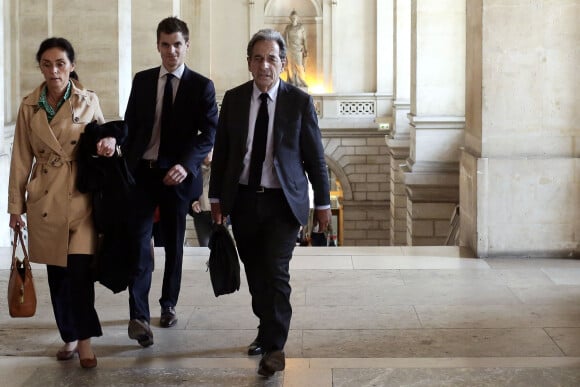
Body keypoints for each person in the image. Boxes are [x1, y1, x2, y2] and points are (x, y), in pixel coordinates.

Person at [209, 29, 331, 377]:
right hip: (244, 200)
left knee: (276, 271)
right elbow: (225, 155)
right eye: (258, 58)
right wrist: (216, 197)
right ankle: (265, 331)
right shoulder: (232, 100)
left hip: (283, 203)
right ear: (249, 63)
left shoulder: (299, 102)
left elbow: (315, 159)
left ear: (283, 62)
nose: (265, 65)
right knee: (256, 273)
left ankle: (275, 347)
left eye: (271, 58)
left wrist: (322, 202)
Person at [7, 37, 116, 369]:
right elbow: (21, 158)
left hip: (81, 198)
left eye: (60, 64)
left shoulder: (88, 100)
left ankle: (84, 340)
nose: (53, 71)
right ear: (40, 66)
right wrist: (15, 208)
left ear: (71, 65)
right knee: (58, 275)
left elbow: (104, 139)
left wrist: (110, 142)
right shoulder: (29, 106)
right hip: (44, 199)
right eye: (46, 64)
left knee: (80, 273)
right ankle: (68, 332)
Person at [122, 16, 217, 347]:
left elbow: (209, 133)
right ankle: (139, 316)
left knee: (174, 245)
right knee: (138, 243)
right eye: (165, 44)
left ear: (186, 45)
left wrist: (186, 164)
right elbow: (131, 125)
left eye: (177, 44)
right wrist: (112, 145)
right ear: (158, 45)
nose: (171, 51)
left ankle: (168, 305)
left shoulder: (201, 86)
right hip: (143, 174)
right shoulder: (143, 80)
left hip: (177, 178)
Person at [190, 149, 213, 247]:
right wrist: (193, 202)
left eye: (211, 151)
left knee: (219, 245)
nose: (208, 154)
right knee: (204, 246)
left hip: (218, 213)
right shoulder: (193, 167)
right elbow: (188, 189)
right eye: (206, 150)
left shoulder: (222, 167)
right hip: (200, 215)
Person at [283, 10, 308, 87]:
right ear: (290, 18)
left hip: (298, 49)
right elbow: (285, 38)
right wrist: (285, 50)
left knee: (299, 65)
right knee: (290, 66)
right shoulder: (288, 27)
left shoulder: (301, 27)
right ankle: (292, 81)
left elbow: (304, 39)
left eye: (295, 17)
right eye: (292, 17)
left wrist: (306, 49)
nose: (294, 19)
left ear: (297, 18)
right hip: (289, 49)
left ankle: (301, 80)